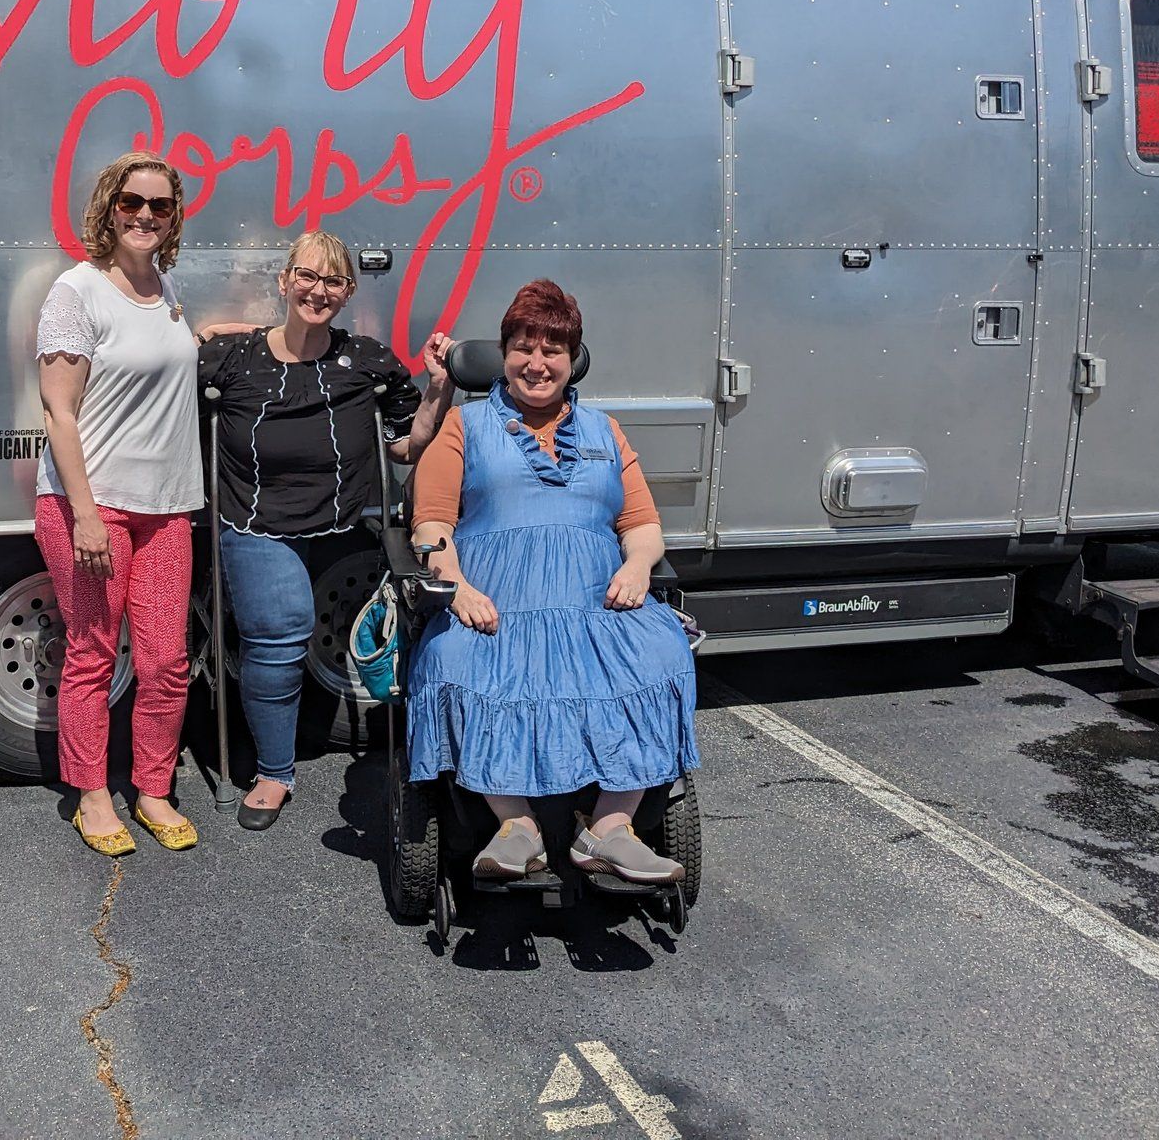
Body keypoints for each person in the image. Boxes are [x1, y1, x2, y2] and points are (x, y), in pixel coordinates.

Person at [404, 279, 699, 884]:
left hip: (595, 598)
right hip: (496, 602)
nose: (537, 364)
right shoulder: (465, 425)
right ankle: (517, 826)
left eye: (553, 350)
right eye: (523, 347)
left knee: (661, 651)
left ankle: (611, 828)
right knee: (455, 659)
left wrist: (637, 565)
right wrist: (455, 585)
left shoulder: (604, 431)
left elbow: (643, 525)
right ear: (503, 353)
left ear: (573, 360)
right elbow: (431, 523)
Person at [197, 231, 453, 830]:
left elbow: (404, 446)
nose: (318, 289)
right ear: (284, 282)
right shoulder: (231, 360)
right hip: (259, 522)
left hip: (344, 521)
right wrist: (211, 328)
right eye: (307, 276)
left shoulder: (366, 359)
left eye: (333, 280)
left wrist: (437, 388)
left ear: (348, 292)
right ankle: (273, 772)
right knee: (282, 634)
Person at [35, 152, 204, 857]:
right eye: (131, 202)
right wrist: (84, 515)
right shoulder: (76, 292)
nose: (144, 215)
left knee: (166, 661)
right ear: (108, 208)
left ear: (173, 219)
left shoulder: (165, 288)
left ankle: (153, 788)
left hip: (167, 509)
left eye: (159, 207)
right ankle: (92, 794)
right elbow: (58, 412)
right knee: (93, 655)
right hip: (92, 508)